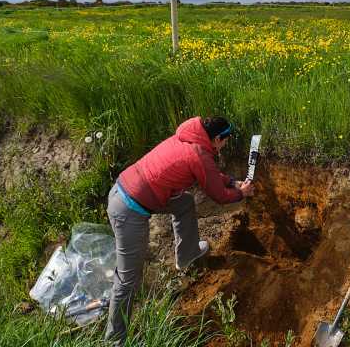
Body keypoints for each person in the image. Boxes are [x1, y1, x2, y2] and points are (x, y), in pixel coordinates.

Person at [104, 116, 254, 345]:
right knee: (128, 281)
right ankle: (115, 340)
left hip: (128, 189)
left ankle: (187, 254)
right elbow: (219, 196)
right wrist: (241, 193)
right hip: (129, 209)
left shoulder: (187, 137)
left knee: (184, 202)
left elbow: (210, 174)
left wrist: (233, 182)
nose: (224, 145)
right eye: (224, 141)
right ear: (216, 139)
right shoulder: (199, 154)